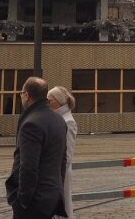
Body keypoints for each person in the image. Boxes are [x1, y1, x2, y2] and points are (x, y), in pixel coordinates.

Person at [6, 77, 67, 219]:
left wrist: (23, 200)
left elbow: (28, 167)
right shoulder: (59, 120)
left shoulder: (31, 123)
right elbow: (62, 161)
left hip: (34, 201)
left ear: (26, 95)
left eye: (21, 93)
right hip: (51, 197)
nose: (21, 96)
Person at [48, 86, 77, 219]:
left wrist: (58, 173)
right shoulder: (57, 117)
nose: (47, 102)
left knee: (64, 207)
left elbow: (68, 153)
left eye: (50, 100)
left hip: (61, 172)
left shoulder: (68, 121)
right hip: (55, 172)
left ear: (58, 101)